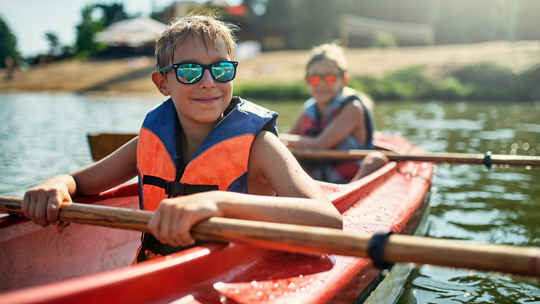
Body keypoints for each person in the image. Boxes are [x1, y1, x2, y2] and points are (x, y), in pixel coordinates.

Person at [21, 14, 342, 263]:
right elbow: (81, 182)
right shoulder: (149, 140)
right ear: (162, 83)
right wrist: (58, 183)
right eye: (189, 71)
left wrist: (218, 201)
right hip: (159, 275)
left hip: (235, 275)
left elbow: (328, 222)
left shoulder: (259, 146)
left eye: (221, 69)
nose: (207, 82)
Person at [280, 43, 388, 183]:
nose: (322, 84)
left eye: (330, 77)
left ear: (344, 80)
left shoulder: (353, 108)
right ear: (306, 81)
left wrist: (279, 139)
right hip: (317, 176)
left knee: (375, 160)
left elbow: (319, 144)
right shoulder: (309, 107)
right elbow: (290, 137)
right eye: (314, 78)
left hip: (350, 177)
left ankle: (352, 190)